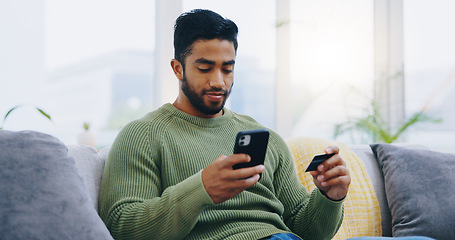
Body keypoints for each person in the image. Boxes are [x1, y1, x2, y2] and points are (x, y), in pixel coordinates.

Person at [99, 9, 351, 240]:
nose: (218, 82)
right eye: (205, 68)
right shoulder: (142, 135)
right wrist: (201, 189)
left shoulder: (266, 139)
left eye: (227, 69)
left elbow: (308, 231)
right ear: (178, 69)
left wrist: (330, 197)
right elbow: (123, 226)